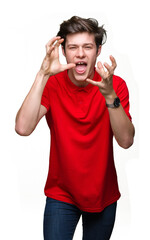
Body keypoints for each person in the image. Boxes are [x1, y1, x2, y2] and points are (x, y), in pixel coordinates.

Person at [15, 16, 135, 240]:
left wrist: (109, 95)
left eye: (87, 47)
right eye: (73, 47)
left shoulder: (115, 85)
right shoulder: (53, 83)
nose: (80, 54)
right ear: (64, 52)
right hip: (62, 194)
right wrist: (43, 74)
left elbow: (126, 141)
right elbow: (23, 127)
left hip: (103, 194)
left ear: (98, 51)